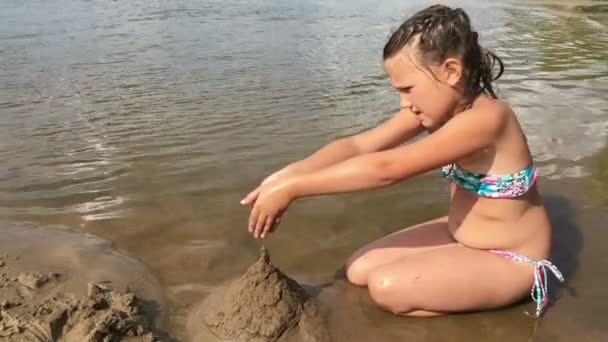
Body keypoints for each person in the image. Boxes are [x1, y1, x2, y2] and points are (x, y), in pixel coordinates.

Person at [240, 4, 563, 318]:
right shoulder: (434, 111)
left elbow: (387, 169)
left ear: (451, 71)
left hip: (511, 258)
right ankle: (454, 270)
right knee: (359, 269)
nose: (404, 102)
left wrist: (296, 188)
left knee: (386, 288)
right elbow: (358, 145)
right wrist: (291, 172)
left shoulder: (487, 119)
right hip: (458, 233)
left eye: (408, 88)